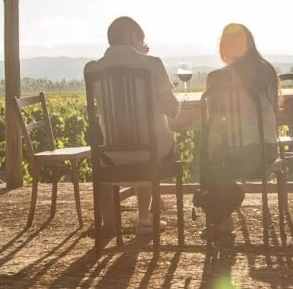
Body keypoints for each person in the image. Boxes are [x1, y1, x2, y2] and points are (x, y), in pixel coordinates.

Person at [84, 16, 180, 235]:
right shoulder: (152, 64)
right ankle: (145, 218)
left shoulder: (92, 69)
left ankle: (111, 224)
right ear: (134, 36)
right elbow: (172, 110)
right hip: (153, 154)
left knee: (104, 155)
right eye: (141, 39)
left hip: (112, 157)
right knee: (152, 145)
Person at [197, 23, 281, 241]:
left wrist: (211, 145)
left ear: (224, 47)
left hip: (235, 158)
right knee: (213, 156)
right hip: (266, 153)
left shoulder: (217, 79)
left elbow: (212, 124)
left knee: (206, 155)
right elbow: (274, 115)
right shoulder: (267, 71)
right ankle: (225, 210)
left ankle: (223, 220)